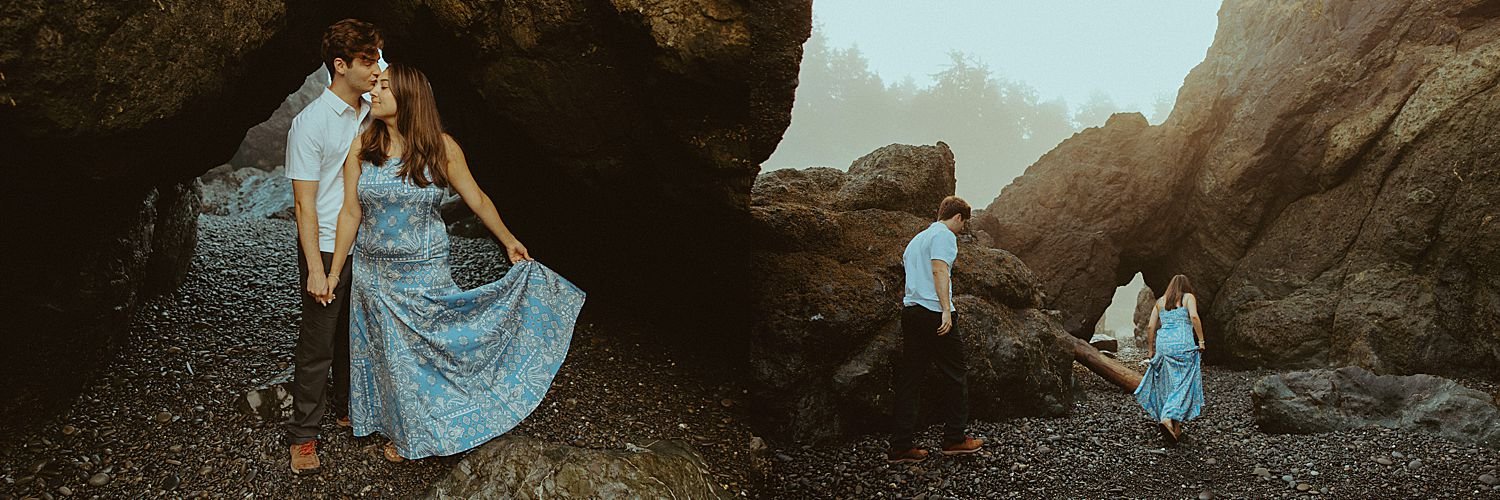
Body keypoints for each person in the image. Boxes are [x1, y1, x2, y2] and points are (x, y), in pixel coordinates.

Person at [326, 64, 585, 462]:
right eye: (374, 85)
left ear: (409, 97)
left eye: (382, 87)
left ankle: (456, 416)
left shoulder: (441, 148)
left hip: (424, 271)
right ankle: (405, 430)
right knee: (390, 356)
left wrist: (510, 241)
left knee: (434, 348)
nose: (372, 93)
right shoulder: (362, 147)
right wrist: (333, 272)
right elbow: (349, 214)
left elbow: (476, 199)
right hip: (373, 274)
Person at [284, 18, 383, 475]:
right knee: (318, 342)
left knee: (356, 332)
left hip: (369, 242)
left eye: (378, 57)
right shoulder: (310, 124)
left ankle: (347, 408)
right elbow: (303, 205)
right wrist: (315, 269)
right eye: (368, 60)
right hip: (324, 243)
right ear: (340, 66)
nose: (377, 67)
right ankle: (304, 435)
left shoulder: (373, 109)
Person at [886, 195, 986, 464]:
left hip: (912, 311)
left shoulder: (916, 240)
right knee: (955, 373)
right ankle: (954, 438)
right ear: (958, 217)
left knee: (911, 378)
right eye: (963, 223)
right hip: (933, 312)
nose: (962, 229)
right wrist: (945, 310)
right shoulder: (944, 236)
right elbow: (939, 270)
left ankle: (900, 445)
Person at [1134, 274, 1206, 444]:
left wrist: (1150, 349)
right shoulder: (1188, 297)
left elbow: (1151, 325)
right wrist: (1201, 340)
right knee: (1183, 383)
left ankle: (1176, 427)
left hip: (1164, 345)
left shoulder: (1160, 301)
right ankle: (1168, 416)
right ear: (1186, 286)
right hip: (1183, 344)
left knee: (1169, 383)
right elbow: (1194, 317)